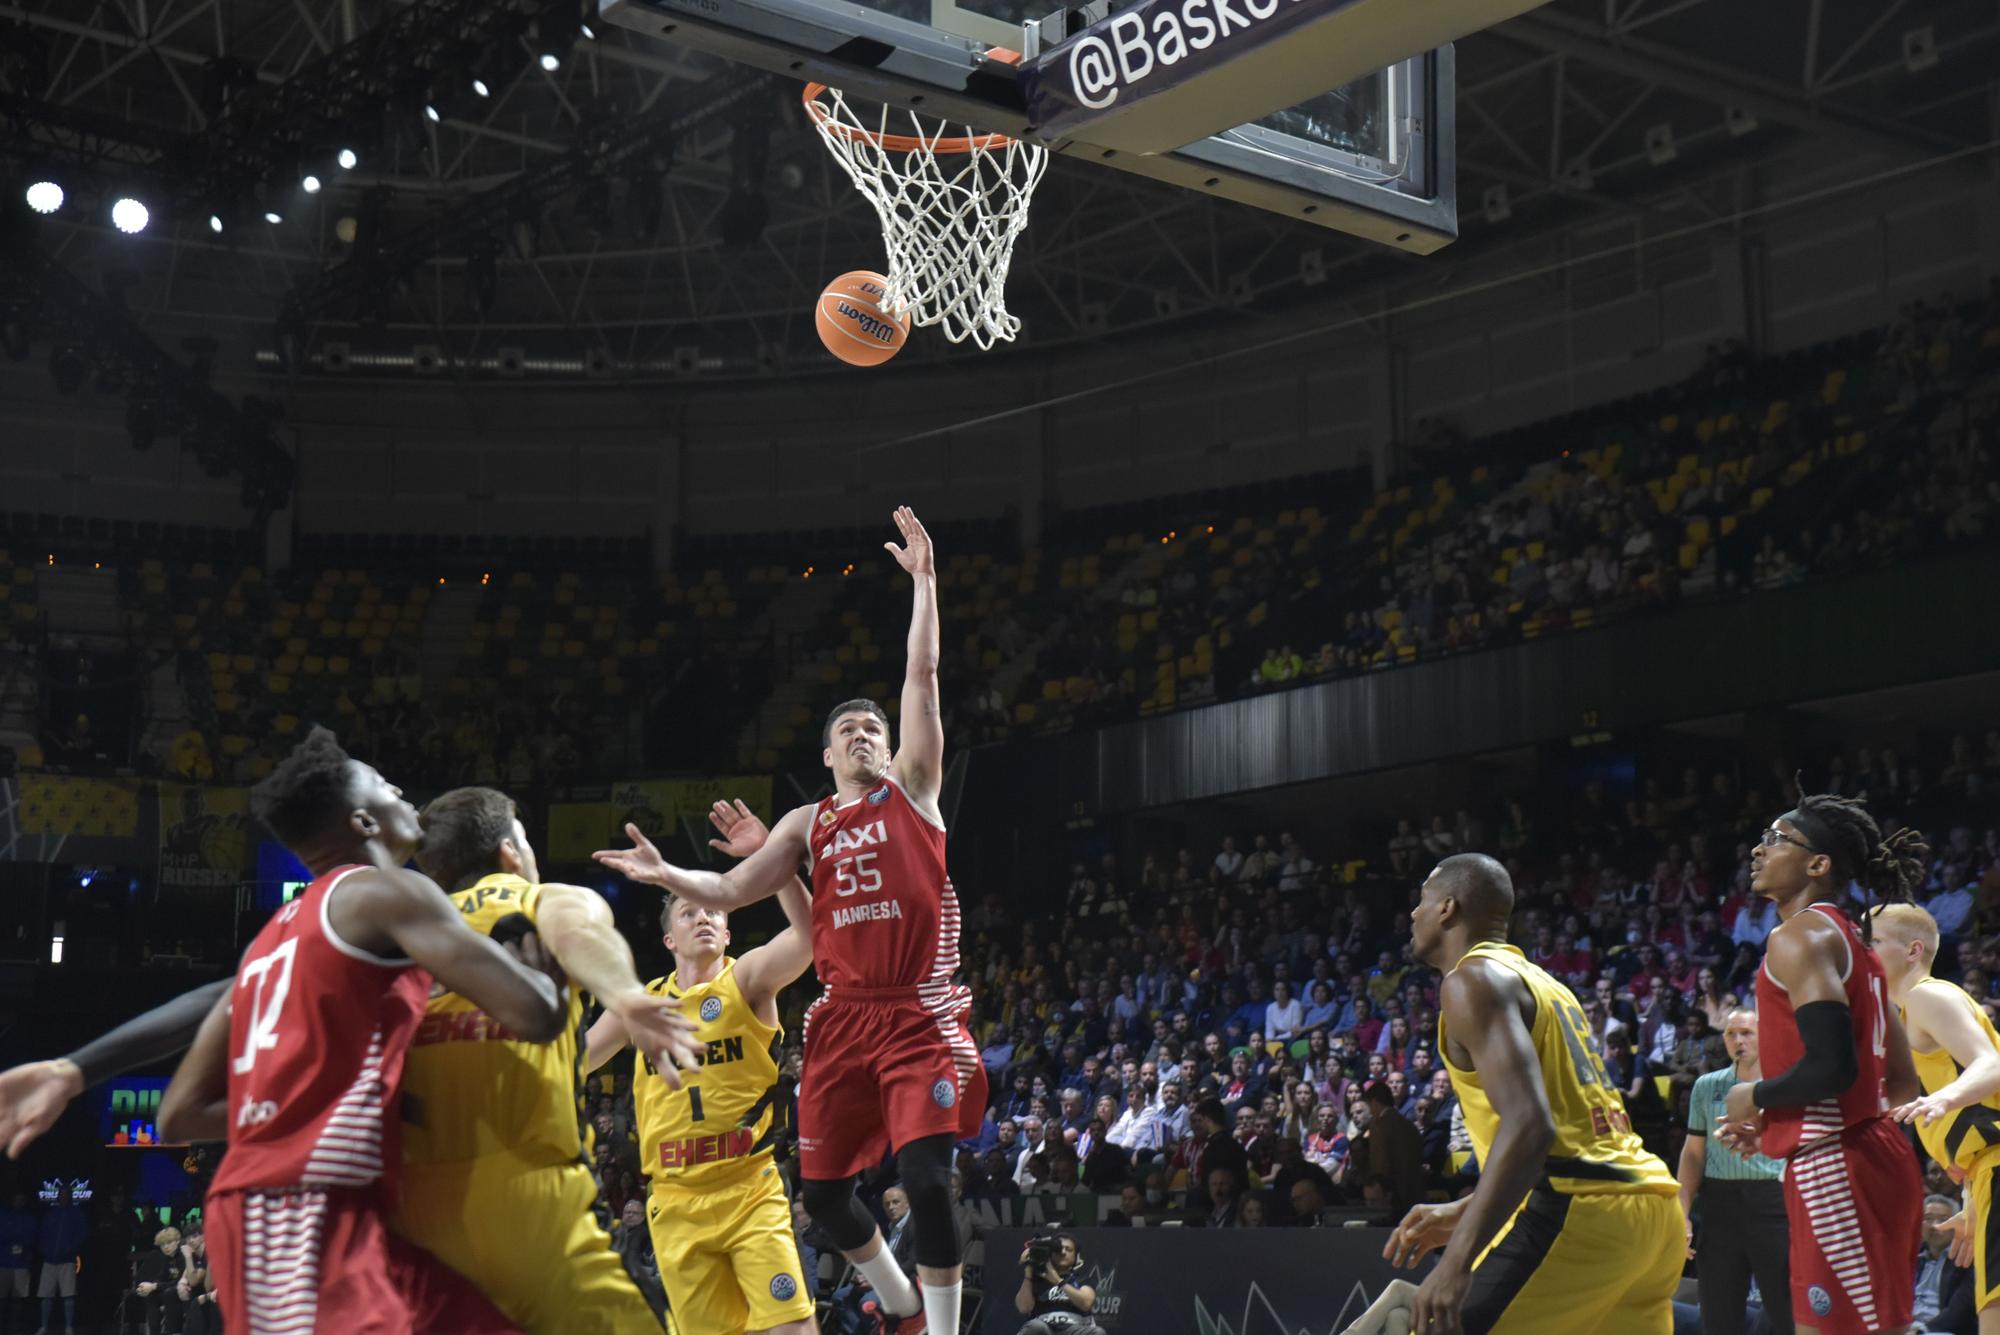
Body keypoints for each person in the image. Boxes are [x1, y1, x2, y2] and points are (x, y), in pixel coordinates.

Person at [595, 507, 980, 1335]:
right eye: (848, 730)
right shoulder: (808, 824)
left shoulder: (915, 789)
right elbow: (730, 889)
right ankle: (902, 1305)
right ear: (828, 757)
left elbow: (922, 674)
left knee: (926, 1179)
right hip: (843, 1016)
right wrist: (667, 871)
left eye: (872, 727)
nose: (864, 734)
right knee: (827, 1198)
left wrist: (925, 582)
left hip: (915, 1008)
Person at [153, 726, 577, 1334]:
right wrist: (549, 971)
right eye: (382, 783)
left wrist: (322, 1101)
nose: (399, 786)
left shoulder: (277, 937)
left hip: (337, 1208)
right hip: (298, 1203)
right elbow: (534, 1014)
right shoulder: (388, 893)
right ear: (364, 823)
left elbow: (177, 1116)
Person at [392, 784, 707, 1333]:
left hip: (417, 1220)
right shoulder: (538, 899)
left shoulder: (402, 936)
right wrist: (628, 996)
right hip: (534, 1204)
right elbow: (580, 932)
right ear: (510, 852)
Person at [1385, 854, 1683, 1334]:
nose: (1413, 914)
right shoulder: (1547, 986)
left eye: (1421, 900)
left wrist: (1458, 1259)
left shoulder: (1471, 980)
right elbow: (1574, 1132)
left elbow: (1531, 1126)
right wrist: (1467, 1211)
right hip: (1651, 1209)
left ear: (1447, 908)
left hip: (1581, 1216)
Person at [585, 797, 819, 1335]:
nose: (705, 917)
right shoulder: (640, 1003)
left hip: (748, 1186)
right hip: (673, 1196)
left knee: (792, 1330)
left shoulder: (747, 978)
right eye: (690, 912)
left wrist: (775, 862)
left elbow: (812, 939)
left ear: (730, 933)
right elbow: (577, 1061)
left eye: (713, 910)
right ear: (670, 938)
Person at [1717, 793, 1928, 1335]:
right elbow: (1899, 1080)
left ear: (1818, 864)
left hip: (1839, 1166)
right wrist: (1785, 1126)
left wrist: (1754, 1097)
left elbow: (1833, 1068)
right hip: (1872, 1155)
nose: (1758, 851)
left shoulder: (1800, 936)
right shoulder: (1857, 946)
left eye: (1776, 839)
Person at [1871, 902, 2000, 1332]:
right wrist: (1970, 1199)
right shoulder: (1904, 1015)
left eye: (1873, 942)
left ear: (1912, 950)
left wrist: (1943, 1100)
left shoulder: (1927, 994)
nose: (1863, 953)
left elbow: (1992, 1065)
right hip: (1984, 1173)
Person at [1678, 1007, 1791, 1335]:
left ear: (1764, 1034)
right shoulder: (1706, 1086)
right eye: (1731, 1034)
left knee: (1785, 1311)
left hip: (1773, 1202)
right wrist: (1682, 1213)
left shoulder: (1785, 1085)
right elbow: (1692, 1154)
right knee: (1717, 1310)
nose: (1738, 1040)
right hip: (1719, 1205)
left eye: (1746, 1032)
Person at [1012, 1234, 1102, 1335]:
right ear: (1051, 1254)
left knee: (1097, 1332)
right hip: (1045, 1328)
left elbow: (1086, 1304)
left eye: (1068, 1249)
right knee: (1035, 1326)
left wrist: (1058, 1281)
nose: (1063, 1252)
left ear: (1076, 1256)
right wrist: (1028, 1273)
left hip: (1074, 1329)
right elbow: (1024, 1308)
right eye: (1058, 1250)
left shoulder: (1082, 1280)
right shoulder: (1038, 1280)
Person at [1914, 1194, 1979, 1335]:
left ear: (1958, 1225)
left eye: (1944, 1220)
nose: (1935, 1225)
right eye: (1928, 1219)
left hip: (1941, 1329)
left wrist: (1922, 1330)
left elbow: (1962, 1308)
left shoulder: (1967, 1258)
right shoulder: (1911, 1258)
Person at [34, 1184, 85, 1335]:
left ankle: (69, 1327)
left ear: (69, 1196)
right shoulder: (50, 1214)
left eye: (66, 1194)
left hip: (67, 1261)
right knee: (46, 1296)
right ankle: (44, 1326)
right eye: (61, 1194)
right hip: (49, 1260)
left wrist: (70, 1249)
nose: (63, 1197)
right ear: (58, 1196)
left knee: (68, 1296)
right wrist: (45, 1250)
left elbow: (82, 1234)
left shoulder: (76, 1214)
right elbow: (42, 1234)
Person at [133, 1225, 185, 1335]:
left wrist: (154, 1286)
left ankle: (171, 1332)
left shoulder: (183, 1257)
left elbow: (179, 1281)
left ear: (177, 1241)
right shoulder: (167, 1258)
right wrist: (148, 1287)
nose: (166, 1247)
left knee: (167, 1293)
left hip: (181, 1291)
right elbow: (161, 1277)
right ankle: (154, 1332)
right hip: (167, 1289)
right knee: (151, 1295)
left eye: (169, 1243)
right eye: (162, 1244)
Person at [0, 1190, 32, 1333]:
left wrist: (21, 1242)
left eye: (21, 1200)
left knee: (17, 1299)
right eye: (16, 1199)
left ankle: (14, 1328)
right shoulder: (4, 1215)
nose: (19, 1202)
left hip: (21, 1264)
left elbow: (32, 1237)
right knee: (1, 1297)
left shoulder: (29, 1219)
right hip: (4, 1263)